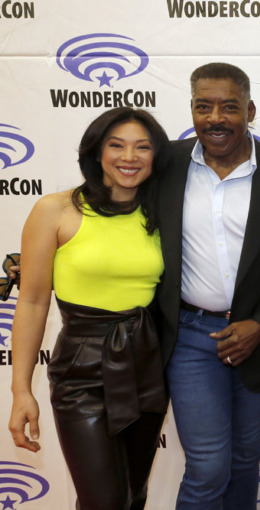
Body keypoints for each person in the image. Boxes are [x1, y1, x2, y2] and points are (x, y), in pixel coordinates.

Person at [155, 63, 260, 509]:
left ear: (250, 110)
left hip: (256, 341)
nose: (215, 118)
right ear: (191, 110)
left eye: (229, 106)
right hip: (188, 337)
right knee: (207, 465)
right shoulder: (165, 164)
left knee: (245, 460)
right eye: (203, 107)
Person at [8, 107, 171, 510]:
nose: (128, 158)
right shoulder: (56, 210)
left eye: (142, 147)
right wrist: (20, 390)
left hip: (146, 364)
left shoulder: (164, 213)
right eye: (116, 146)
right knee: (104, 501)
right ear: (96, 153)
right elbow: (30, 302)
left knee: (133, 495)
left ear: (156, 156)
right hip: (81, 370)